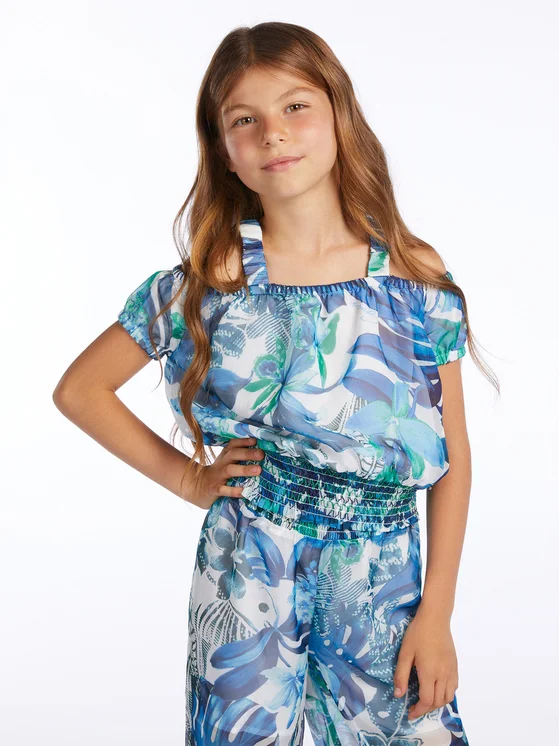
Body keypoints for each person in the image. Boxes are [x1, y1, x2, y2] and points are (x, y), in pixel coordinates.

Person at [54, 21, 499, 746]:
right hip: (248, 569)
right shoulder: (210, 285)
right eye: (245, 120)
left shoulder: (410, 275)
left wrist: (438, 613)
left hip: (381, 580)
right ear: (223, 151)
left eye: (295, 106)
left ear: (339, 117)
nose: (274, 134)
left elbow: (455, 458)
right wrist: (190, 481)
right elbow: (80, 390)